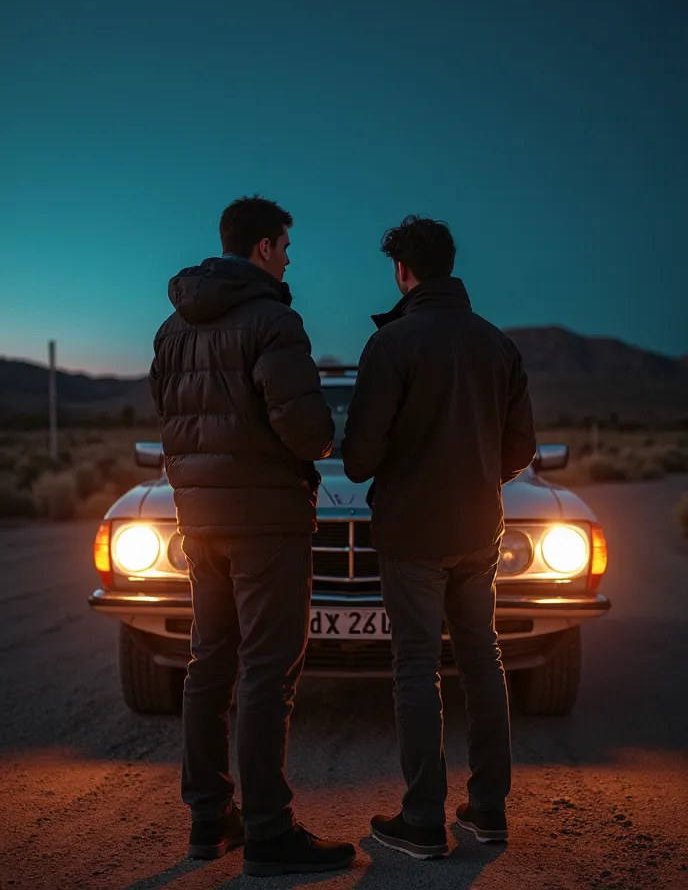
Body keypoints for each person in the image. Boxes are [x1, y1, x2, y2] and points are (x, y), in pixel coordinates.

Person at [150, 195, 355, 876]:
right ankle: (269, 832)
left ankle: (209, 820)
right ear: (264, 247)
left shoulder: (172, 327)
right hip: (266, 524)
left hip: (201, 521)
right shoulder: (274, 320)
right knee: (269, 670)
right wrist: (323, 444)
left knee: (210, 664)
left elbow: (169, 416)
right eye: (287, 245)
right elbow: (303, 423)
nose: (290, 257)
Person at [341, 215, 536, 859]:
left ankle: (422, 820)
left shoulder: (392, 344)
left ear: (403, 271)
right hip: (479, 530)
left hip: (412, 534)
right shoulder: (497, 345)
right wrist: (481, 475)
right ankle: (488, 811)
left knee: (417, 670)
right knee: (483, 660)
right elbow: (521, 448)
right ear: (450, 264)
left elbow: (359, 458)